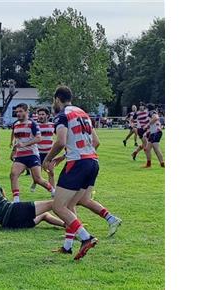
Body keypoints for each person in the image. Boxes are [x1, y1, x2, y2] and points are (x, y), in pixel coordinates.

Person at [42, 86, 121, 260]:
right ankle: (68, 246)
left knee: (58, 206)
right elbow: (96, 141)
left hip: (78, 165)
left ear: (57, 99)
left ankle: (86, 238)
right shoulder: (83, 113)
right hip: (92, 162)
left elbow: (61, 141)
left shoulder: (62, 115)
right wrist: (68, 155)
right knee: (71, 206)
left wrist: (47, 159)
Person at [0, 173, 65, 228]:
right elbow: (4, 196)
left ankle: (65, 225)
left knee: (44, 215)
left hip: (9, 225)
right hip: (14, 211)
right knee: (52, 204)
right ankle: (73, 223)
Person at [10, 103, 55, 203]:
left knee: (38, 179)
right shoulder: (16, 124)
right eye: (16, 112)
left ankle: (52, 190)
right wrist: (13, 151)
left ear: (26, 112)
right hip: (20, 156)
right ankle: (16, 199)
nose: (18, 113)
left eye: (20, 111)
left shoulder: (32, 124)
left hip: (32, 155)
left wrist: (25, 144)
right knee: (13, 174)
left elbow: (39, 138)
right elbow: (17, 140)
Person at [31, 107, 55, 193]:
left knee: (51, 172)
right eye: (39, 114)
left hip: (49, 153)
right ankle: (35, 182)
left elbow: (60, 136)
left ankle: (53, 191)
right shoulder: (35, 126)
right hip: (37, 153)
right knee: (37, 174)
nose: (40, 116)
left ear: (47, 115)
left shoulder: (53, 125)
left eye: (42, 114)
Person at [143, 104, 165, 168]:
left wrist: (147, 125)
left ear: (148, 108)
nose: (145, 110)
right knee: (147, 149)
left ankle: (162, 164)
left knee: (156, 148)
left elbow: (156, 117)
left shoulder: (152, 112)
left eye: (146, 108)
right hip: (153, 133)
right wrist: (147, 132)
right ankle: (148, 164)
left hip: (156, 132)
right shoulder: (151, 113)